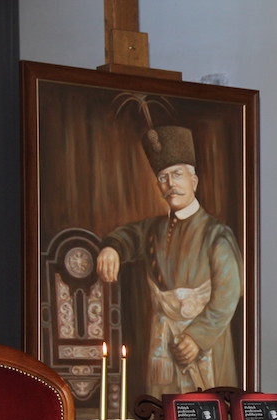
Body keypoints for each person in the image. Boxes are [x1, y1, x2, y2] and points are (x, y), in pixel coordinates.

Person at [96, 125, 243, 397]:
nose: (170, 184)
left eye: (177, 174)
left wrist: (197, 337)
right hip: (162, 343)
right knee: (162, 409)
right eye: (163, 177)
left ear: (193, 181)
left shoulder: (216, 234)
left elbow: (228, 293)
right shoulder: (154, 229)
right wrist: (112, 248)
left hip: (206, 346)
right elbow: (129, 236)